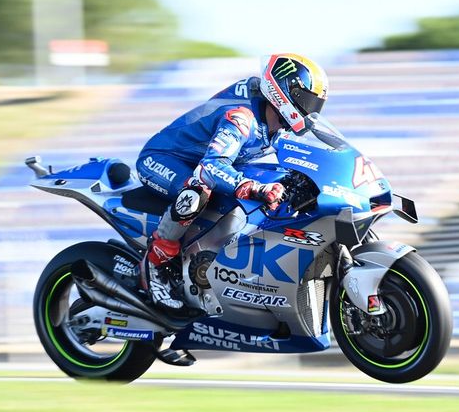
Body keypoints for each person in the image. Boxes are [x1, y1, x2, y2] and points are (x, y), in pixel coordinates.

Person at [136, 53, 329, 312]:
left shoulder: (274, 125)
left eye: (316, 104)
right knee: (196, 190)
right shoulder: (241, 117)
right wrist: (255, 187)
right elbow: (211, 167)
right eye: (307, 101)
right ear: (284, 91)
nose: (310, 110)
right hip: (162, 160)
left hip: (196, 164)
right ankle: (155, 262)